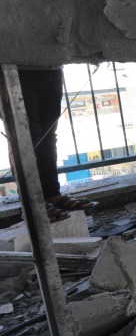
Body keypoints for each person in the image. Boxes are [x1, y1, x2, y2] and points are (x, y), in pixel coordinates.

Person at [14, 67, 94, 222]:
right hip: (15, 67)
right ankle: (32, 202)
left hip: (50, 64)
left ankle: (52, 194)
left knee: (48, 133)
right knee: (26, 135)